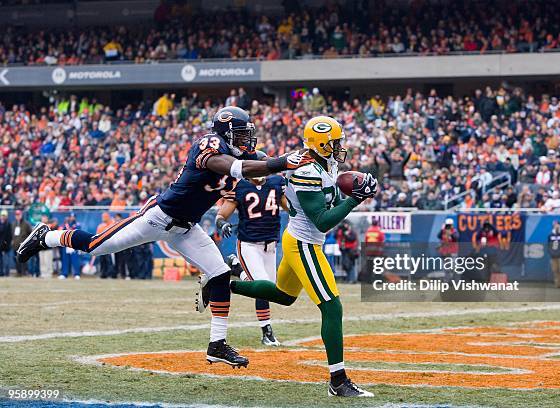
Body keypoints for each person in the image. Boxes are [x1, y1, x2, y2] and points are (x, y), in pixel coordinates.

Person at [17, 106, 314, 368]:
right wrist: (281, 162)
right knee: (96, 246)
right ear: (225, 132)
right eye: (240, 133)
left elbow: (262, 164)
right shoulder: (209, 145)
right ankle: (47, 236)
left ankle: (217, 345)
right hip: (158, 218)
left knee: (221, 275)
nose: (246, 139)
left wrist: (299, 162)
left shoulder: (241, 153)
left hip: (187, 228)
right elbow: (238, 167)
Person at [229, 116, 377, 397]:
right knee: (332, 308)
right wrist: (354, 199)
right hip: (305, 243)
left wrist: (355, 188)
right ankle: (338, 381)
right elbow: (321, 220)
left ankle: (225, 283)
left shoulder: (322, 163)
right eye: (335, 143)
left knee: (284, 296)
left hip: (298, 238)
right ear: (321, 143)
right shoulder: (307, 170)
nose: (339, 147)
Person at [216, 174, 288, 346]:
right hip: (249, 245)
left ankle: (236, 269)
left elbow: (291, 208)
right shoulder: (240, 187)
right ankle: (267, 332)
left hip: (270, 246)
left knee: (269, 290)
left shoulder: (276, 183)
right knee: (262, 287)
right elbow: (221, 215)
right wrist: (222, 224)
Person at [58, 213, 82, 280]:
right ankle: (64, 273)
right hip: (66, 243)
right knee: (65, 260)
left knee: (75, 260)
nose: (71, 218)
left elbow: (77, 231)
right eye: (70, 217)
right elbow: (61, 230)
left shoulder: (77, 224)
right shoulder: (65, 224)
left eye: (73, 217)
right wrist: (65, 224)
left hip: (74, 244)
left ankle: (76, 274)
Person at [547, 220, 560, 288]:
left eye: (557, 224)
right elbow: (549, 245)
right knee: (555, 270)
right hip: (553, 256)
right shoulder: (551, 234)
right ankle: (557, 284)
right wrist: (551, 252)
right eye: (554, 225)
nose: (555, 226)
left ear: (559, 225)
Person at [12, 210, 32, 277]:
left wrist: (26, 242)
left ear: (21, 215)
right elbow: (12, 234)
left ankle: (24, 272)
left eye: (19, 215)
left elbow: (30, 233)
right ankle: (19, 272)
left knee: (23, 259)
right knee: (16, 259)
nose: (17, 216)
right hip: (15, 245)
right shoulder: (14, 224)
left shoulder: (26, 224)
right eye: (16, 215)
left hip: (23, 245)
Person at [96, 212, 115, 279]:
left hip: (110, 245)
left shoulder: (112, 224)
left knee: (109, 260)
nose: (103, 218)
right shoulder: (100, 226)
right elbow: (97, 236)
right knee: (102, 260)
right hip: (102, 246)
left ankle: (111, 274)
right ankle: (103, 274)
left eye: (105, 217)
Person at [0, 210, 12, 277]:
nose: (3, 217)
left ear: (6, 216)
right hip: (0, 246)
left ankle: (7, 273)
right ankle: (1, 273)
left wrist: (5, 245)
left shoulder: (8, 224)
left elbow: (9, 236)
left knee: (6, 261)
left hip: (6, 247)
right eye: (2, 215)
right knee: (0, 262)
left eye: (4, 216)